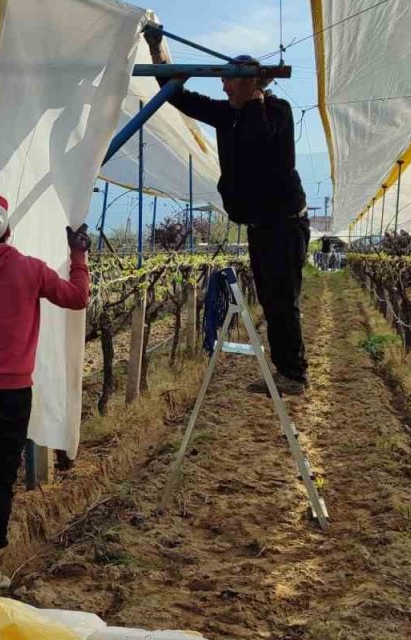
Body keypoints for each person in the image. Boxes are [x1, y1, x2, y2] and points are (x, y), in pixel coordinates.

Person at [145, 28, 309, 396]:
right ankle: (287, 370)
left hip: (284, 224)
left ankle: (294, 374)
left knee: (282, 298)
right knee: (271, 298)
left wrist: (252, 96)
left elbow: (255, 135)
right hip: (260, 225)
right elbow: (178, 97)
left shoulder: (275, 112)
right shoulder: (227, 114)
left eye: (228, 83)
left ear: (249, 84)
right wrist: (158, 51)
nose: (223, 90)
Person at [0, 195, 91, 594]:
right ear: (8, 231)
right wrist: (78, 256)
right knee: (2, 474)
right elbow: (77, 298)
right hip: (11, 388)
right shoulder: (28, 269)